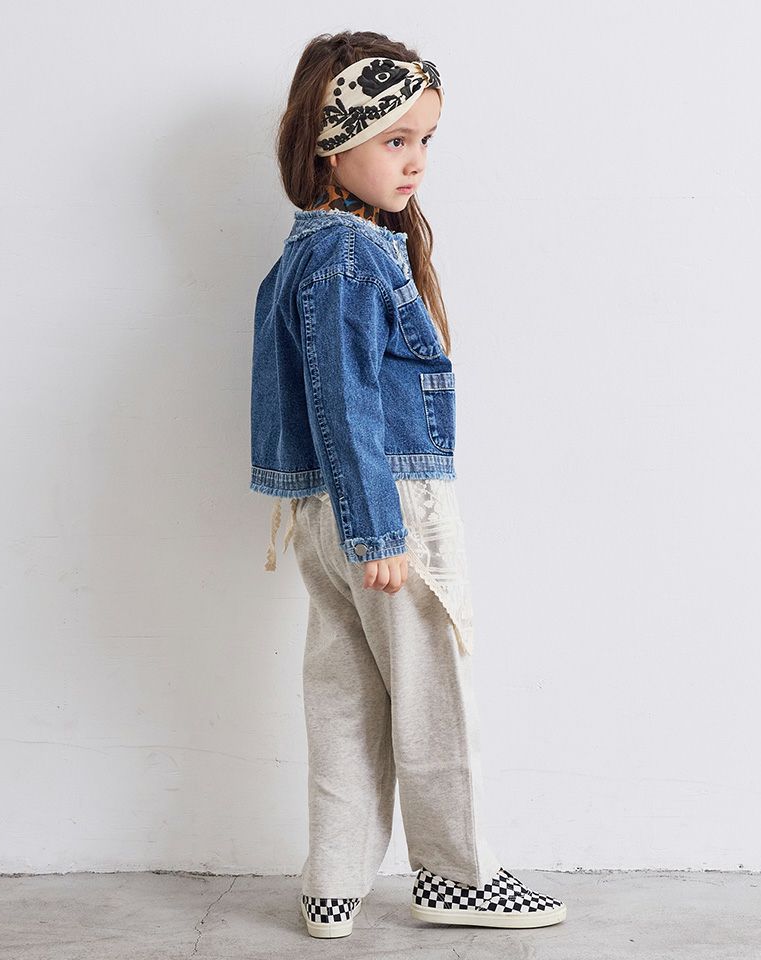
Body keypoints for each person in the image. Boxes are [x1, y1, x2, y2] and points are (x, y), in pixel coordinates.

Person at [250, 30, 568, 940]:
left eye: (425, 139)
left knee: (345, 693)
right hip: (388, 504)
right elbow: (345, 399)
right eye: (395, 139)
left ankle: (333, 882)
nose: (417, 160)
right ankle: (456, 876)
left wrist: (350, 520)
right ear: (332, 140)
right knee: (431, 695)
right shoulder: (351, 256)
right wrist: (379, 530)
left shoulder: (307, 252)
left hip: (321, 510)